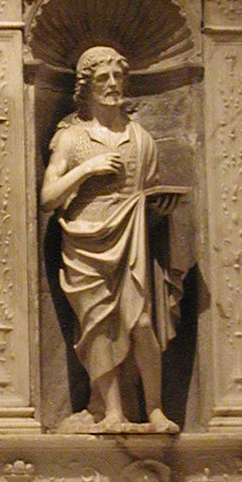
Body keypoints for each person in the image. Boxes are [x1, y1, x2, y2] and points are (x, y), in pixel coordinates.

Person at [40, 45, 180, 433]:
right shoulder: (71, 138)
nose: (112, 84)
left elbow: (149, 195)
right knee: (97, 327)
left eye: (118, 76)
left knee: (142, 323)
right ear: (85, 87)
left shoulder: (140, 138)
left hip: (131, 238)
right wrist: (87, 169)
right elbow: (48, 198)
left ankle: (154, 409)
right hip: (83, 241)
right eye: (103, 78)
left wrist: (159, 209)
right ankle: (112, 411)